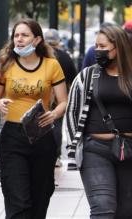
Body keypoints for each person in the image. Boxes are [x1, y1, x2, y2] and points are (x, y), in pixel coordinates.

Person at [0, 19, 68, 219]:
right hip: (13, 137)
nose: (19, 39)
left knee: (40, 197)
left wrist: (54, 114)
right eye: (16, 35)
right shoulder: (6, 65)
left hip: (42, 136)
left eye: (24, 35)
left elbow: (63, 102)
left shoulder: (52, 65)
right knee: (18, 199)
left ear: (37, 40)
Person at [64, 25, 132, 219]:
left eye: (103, 46)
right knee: (103, 208)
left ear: (118, 48)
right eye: (96, 46)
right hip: (96, 149)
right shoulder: (87, 76)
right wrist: (72, 148)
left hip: (129, 150)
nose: (97, 51)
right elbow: (73, 110)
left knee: (126, 212)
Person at [44, 28, 78, 167]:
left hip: (43, 94)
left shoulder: (42, 56)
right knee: (57, 125)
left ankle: (45, 154)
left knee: (42, 124)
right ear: (58, 42)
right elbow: (73, 77)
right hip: (60, 96)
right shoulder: (65, 56)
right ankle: (56, 156)